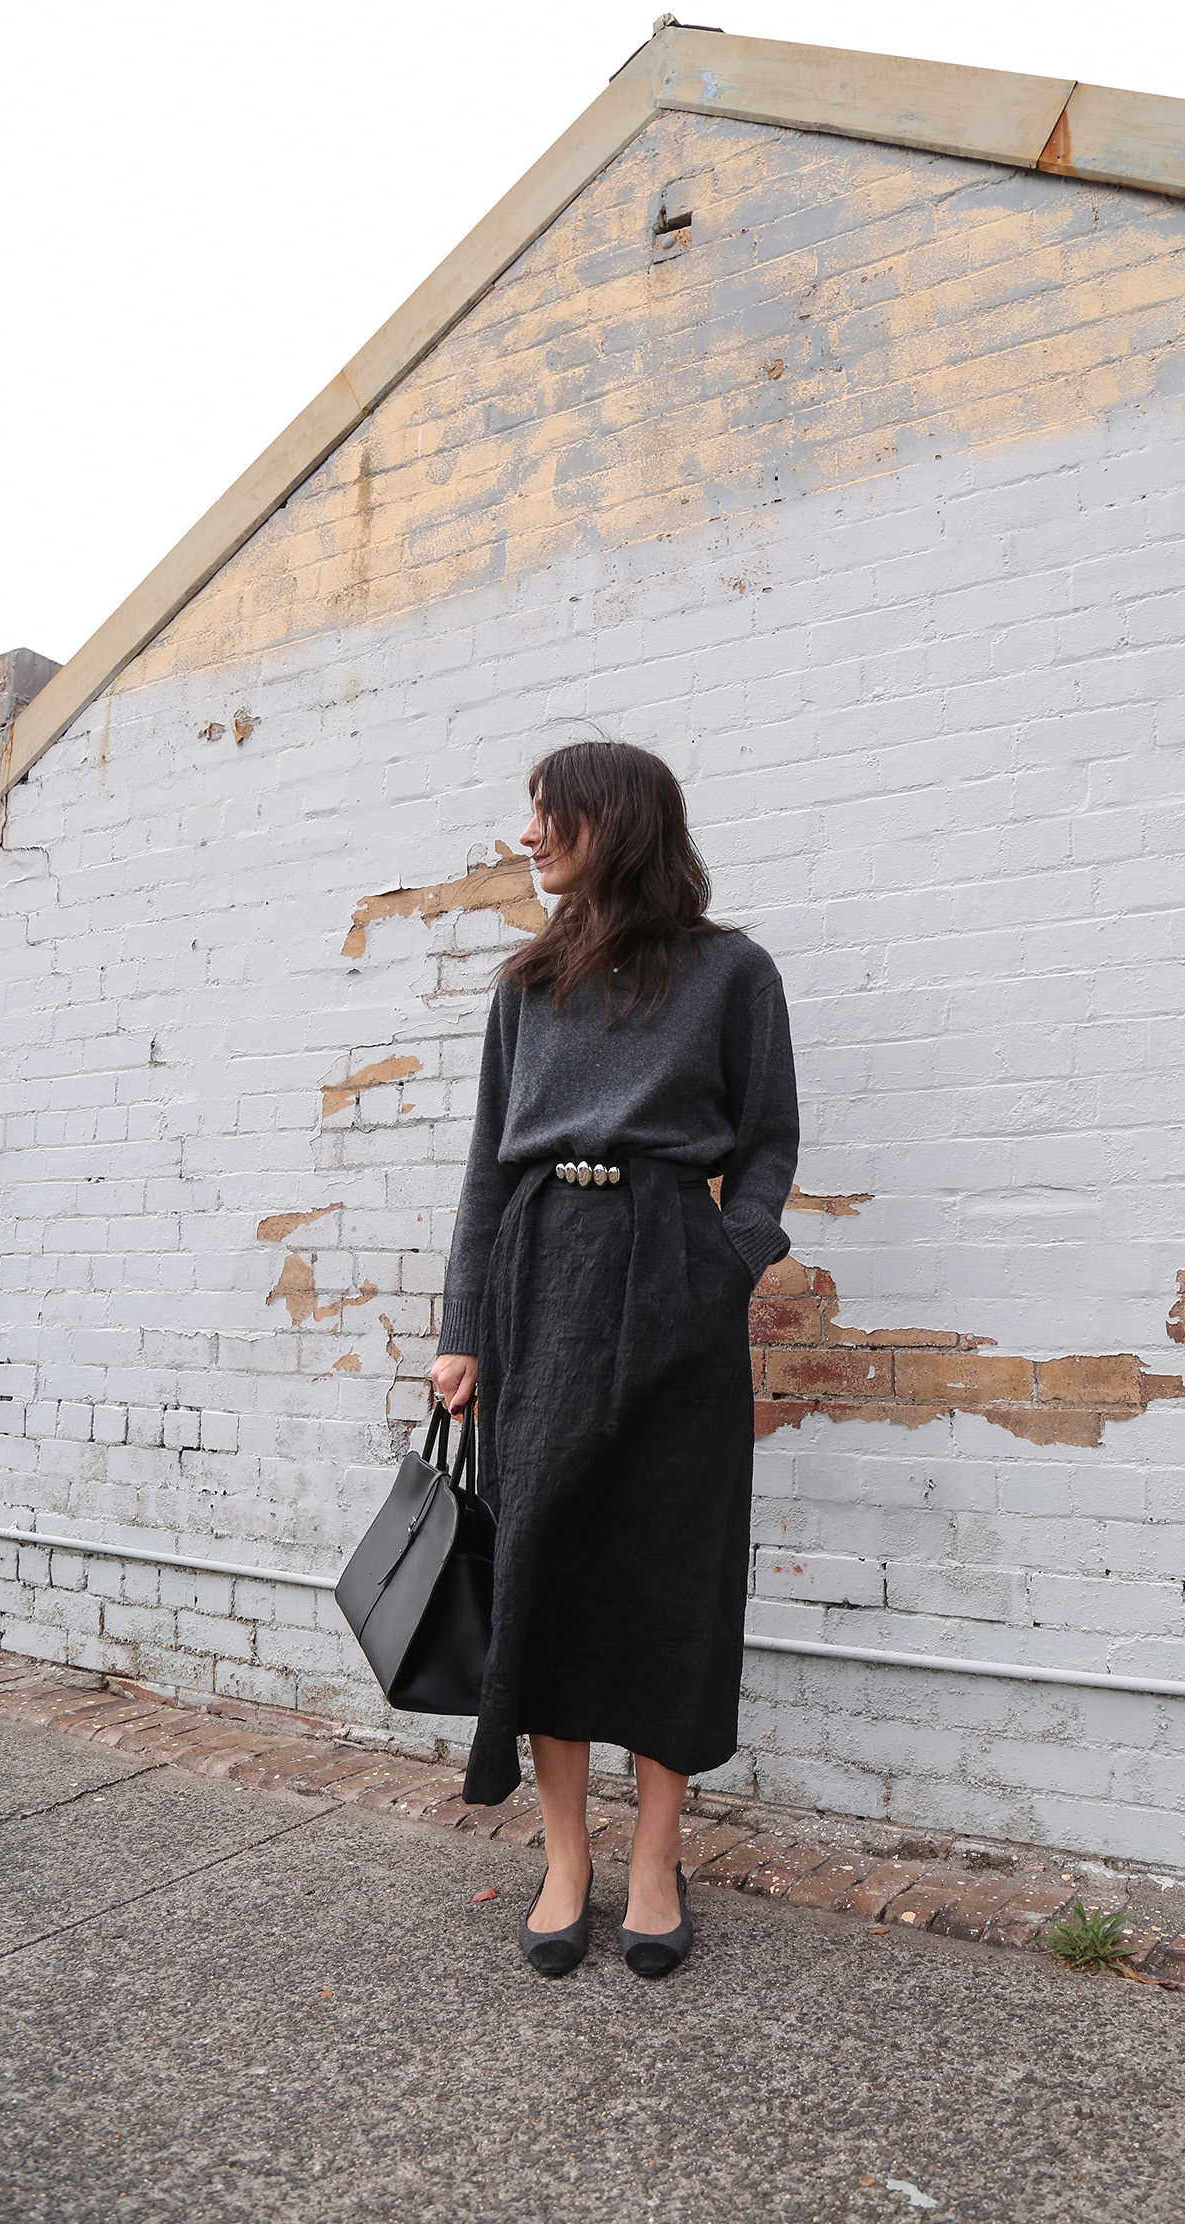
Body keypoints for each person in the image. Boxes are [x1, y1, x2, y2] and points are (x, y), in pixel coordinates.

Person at [428, 739, 799, 1979]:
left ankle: (653, 1856)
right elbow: (489, 1163)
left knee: (664, 1577)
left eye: (548, 816)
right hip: (541, 1278)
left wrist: (721, 1260)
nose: (527, 836)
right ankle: (565, 1858)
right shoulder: (525, 985)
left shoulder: (730, 973)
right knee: (548, 1571)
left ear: (617, 821)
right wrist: (461, 1328)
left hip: (669, 1284)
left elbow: (768, 1143)